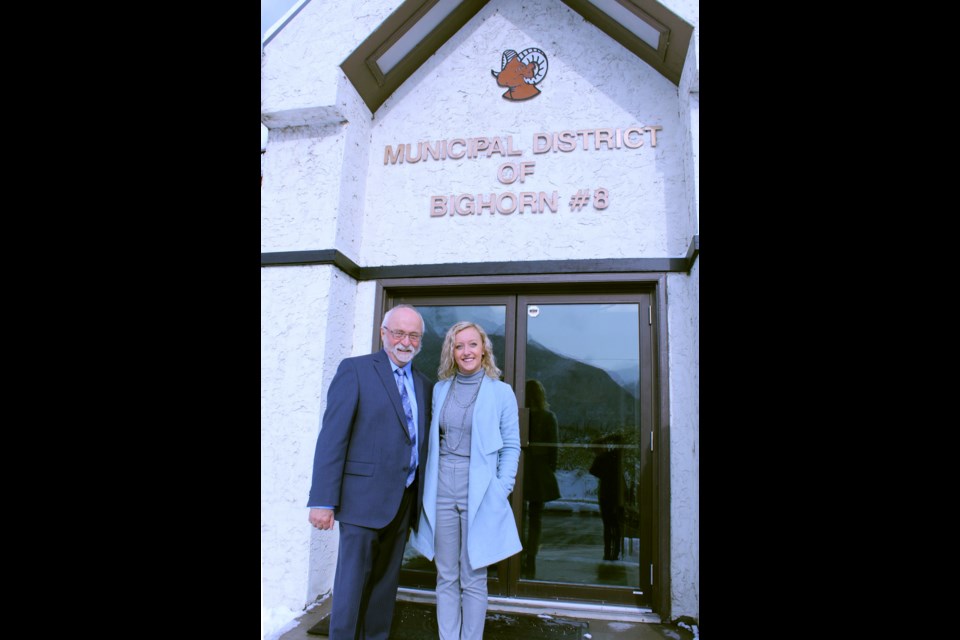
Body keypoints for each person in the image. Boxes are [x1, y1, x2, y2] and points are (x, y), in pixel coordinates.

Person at [306, 304, 434, 640]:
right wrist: (322, 500)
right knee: (351, 587)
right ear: (383, 334)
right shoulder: (356, 370)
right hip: (361, 502)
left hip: (403, 500)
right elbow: (333, 439)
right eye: (398, 333)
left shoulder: (423, 383)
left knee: (385, 586)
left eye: (413, 335)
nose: (405, 342)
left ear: (421, 341)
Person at [409, 321, 521, 640]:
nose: (467, 351)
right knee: (446, 575)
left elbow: (511, 445)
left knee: (473, 576)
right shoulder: (441, 389)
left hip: (481, 490)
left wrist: (502, 487)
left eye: (473, 344)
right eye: (459, 346)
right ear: (452, 352)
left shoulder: (501, 392)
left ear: (483, 348)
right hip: (442, 485)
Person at [521, 379, 561, 579]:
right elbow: (553, 448)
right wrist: (549, 470)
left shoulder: (520, 416)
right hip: (539, 472)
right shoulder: (548, 417)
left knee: (517, 516)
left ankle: (515, 557)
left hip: (521, 471)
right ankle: (531, 558)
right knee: (535, 519)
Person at [589, 432, 626, 561]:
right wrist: (605, 438)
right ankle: (615, 553)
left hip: (606, 494)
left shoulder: (601, 459)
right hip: (615, 493)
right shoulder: (614, 455)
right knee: (615, 524)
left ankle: (607, 553)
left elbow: (593, 471)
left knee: (608, 525)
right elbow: (620, 438)